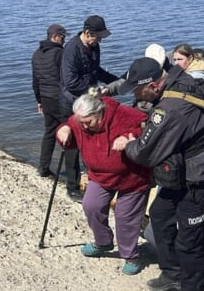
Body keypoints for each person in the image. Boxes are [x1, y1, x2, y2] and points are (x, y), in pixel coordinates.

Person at [112, 57, 204, 291]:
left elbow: (145, 153)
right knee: (160, 213)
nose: (134, 95)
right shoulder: (181, 79)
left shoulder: (169, 109)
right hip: (184, 169)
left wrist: (128, 144)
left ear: (153, 86)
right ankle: (172, 273)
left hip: (202, 178)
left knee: (190, 240)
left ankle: (192, 286)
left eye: (136, 90)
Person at [56, 91, 151, 275]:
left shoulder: (123, 114)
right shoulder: (79, 121)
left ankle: (130, 255)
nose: (84, 126)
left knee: (125, 218)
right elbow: (70, 127)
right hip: (100, 176)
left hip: (133, 177)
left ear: (100, 112)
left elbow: (148, 126)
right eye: (80, 122)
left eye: (88, 122)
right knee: (91, 205)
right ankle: (103, 242)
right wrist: (64, 129)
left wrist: (129, 137)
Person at [58, 15, 119, 203]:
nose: (99, 41)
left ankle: (94, 179)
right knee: (73, 145)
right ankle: (72, 187)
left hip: (89, 100)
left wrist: (116, 80)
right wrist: (95, 91)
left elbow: (96, 71)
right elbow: (71, 82)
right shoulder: (71, 49)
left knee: (93, 139)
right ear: (87, 33)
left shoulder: (94, 46)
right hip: (72, 102)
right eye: (97, 37)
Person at [31, 24, 68, 177]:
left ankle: (43, 167)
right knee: (70, 132)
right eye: (63, 37)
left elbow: (35, 81)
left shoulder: (36, 54)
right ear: (54, 37)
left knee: (49, 133)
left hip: (45, 99)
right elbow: (65, 78)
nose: (64, 40)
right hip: (59, 99)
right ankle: (73, 175)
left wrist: (39, 100)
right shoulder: (60, 53)